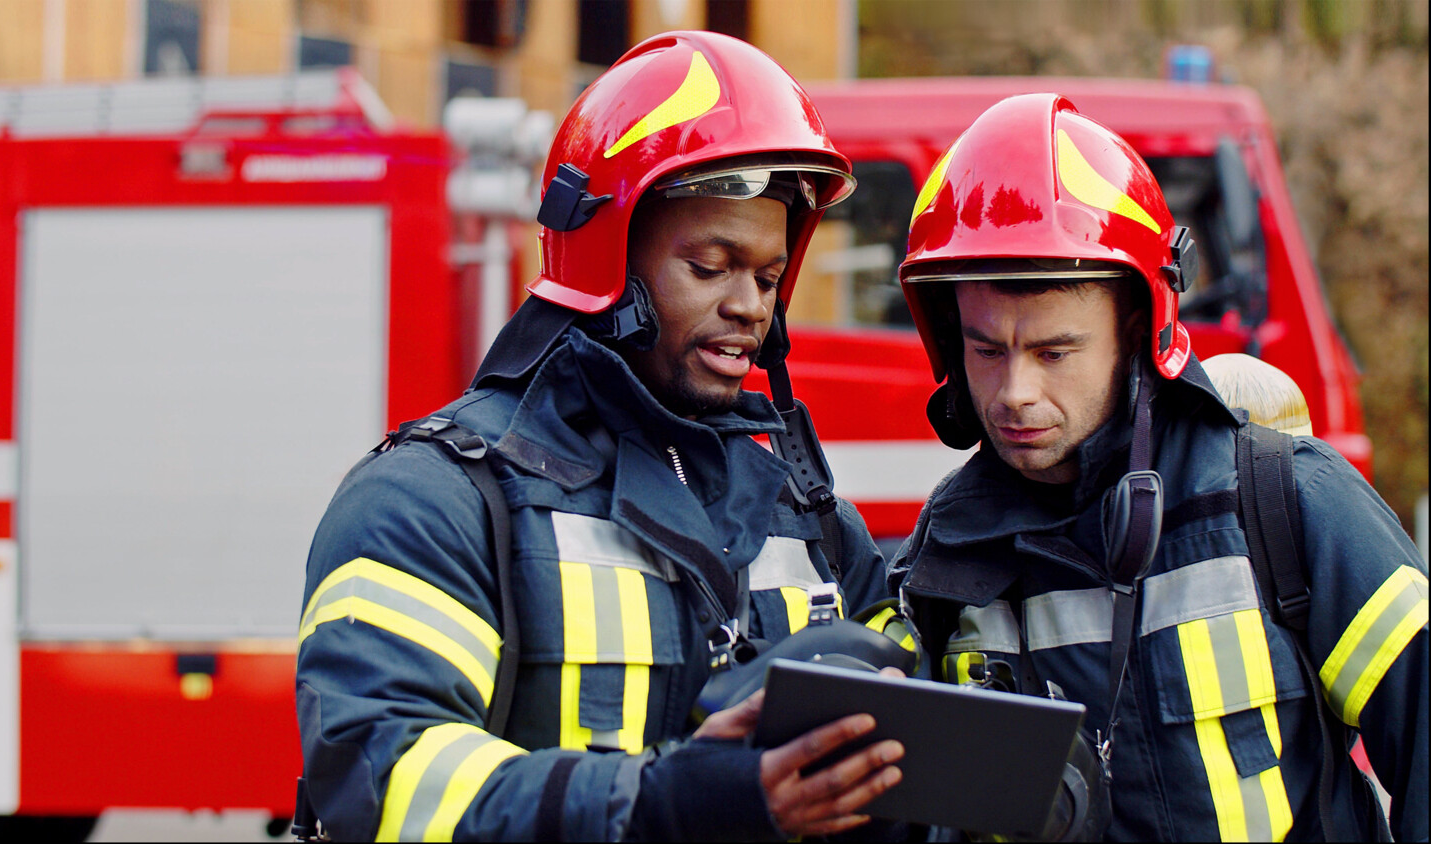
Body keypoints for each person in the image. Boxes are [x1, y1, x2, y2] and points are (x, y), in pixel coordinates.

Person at [296, 31, 911, 842]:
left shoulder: (800, 508)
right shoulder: (432, 502)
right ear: (606, 258)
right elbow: (385, 777)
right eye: (711, 265)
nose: (749, 307)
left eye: (766, 277)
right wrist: (660, 806)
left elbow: (908, 693)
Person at [888, 93, 1426, 841]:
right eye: (987, 349)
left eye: (1054, 352)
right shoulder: (943, 565)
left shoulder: (1286, 503)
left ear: (1138, 331)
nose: (1015, 393)